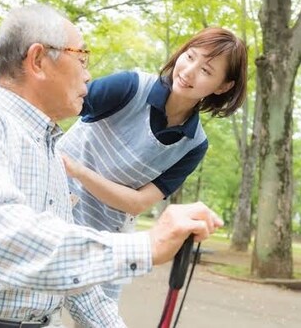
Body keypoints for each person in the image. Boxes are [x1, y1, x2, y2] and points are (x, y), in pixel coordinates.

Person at [0, 3, 223, 328]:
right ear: (37, 61)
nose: (89, 75)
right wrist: (147, 246)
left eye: (208, 70)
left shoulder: (49, 151)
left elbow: (74, 285)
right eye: (82, 59)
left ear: (222, 86)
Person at [58, 27, 247, 300]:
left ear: (223, 86)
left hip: (110, 238)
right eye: (190, 56)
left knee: (99, 317)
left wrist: (77, 170)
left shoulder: (193, 145)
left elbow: (136, 203)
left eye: (206, 70)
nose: (189, 71)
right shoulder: (130, 87)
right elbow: (57, 102)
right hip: (56, 208)